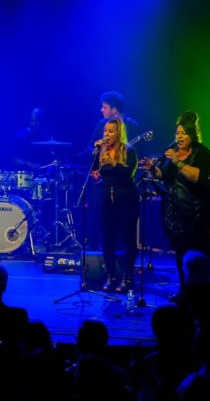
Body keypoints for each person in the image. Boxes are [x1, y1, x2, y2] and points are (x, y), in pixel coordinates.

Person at [140, 110, 210, 293]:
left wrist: (178, 162)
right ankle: (184, 291)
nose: (179, 137)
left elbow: (197, 177)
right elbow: (163, 175)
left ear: (192, 135)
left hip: (197, 217)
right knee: (180, 255)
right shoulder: (172, 152)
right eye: (177, 133)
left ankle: (201, 295)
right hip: (174, 217)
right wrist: (152, 169)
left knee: (198, 257)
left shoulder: (203, 154)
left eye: (184, 133)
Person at [91, 116, 140, 293]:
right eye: (105, 131)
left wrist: (113, 162)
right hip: (106, 199)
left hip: (126, 199)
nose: (106, 134)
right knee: (107, 239)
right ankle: (111, 276)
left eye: (111, 131)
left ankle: (127, 277)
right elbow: (95, 169)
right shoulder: (102, 150)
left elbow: (129, 174)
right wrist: (96, 154)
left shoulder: (129, 151)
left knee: (128, 239)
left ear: (119, 133)